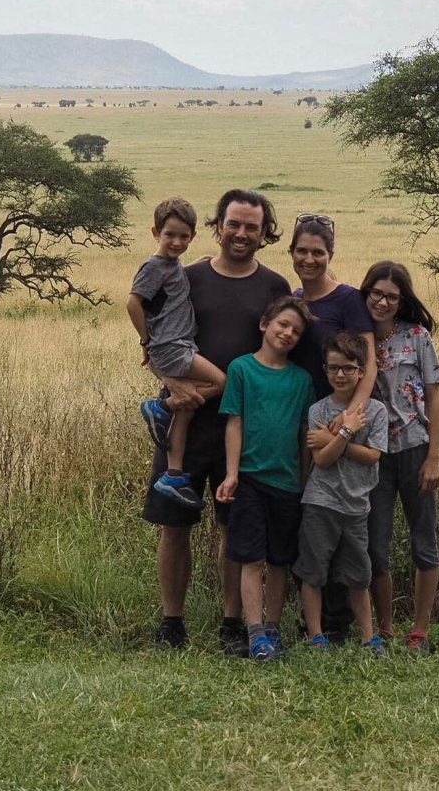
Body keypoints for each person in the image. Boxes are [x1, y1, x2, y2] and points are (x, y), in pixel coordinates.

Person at [141, 189, 291, 654]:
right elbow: (152, 338)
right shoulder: (184, 277)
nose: (241, 234)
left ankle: (231, 625)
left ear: (265, 233)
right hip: (183, 421)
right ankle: (172, 624)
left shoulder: (275, 288)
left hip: (240, 430)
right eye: (234, 224)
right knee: (174, 525)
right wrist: (171, 383)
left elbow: (286, 351)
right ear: (218, 226)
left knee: (237, 530)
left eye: (252, 226)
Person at [288, 213, 377, 641]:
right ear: (291, 253)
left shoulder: (347, 300)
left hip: (342, 414)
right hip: (302, 411)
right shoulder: (293, 300)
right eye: (302, 251)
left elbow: (368, 359)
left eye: (317, 252)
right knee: (310, 507)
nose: (309, 259)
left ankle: (340, 625)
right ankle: (313, 624)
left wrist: (350, 418)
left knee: (337, 510)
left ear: (330, 255)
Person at [215, 296, 315, 661]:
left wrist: (304, 480)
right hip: (249, 480)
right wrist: (231, 474)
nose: (288, 333)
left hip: (288, 483)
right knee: (250, 558)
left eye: (296, 331)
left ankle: (273, 630)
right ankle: (254, 632)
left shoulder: (302, 380)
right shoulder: (241, 370)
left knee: (279, 561)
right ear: (264, 325)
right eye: (282, 325)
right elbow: (234, 422)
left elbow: (305, 433)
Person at [360, 261, 439, 654]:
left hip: (414, 447)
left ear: (402, 300)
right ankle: (386, 628)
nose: (382, 301)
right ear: (366, 293)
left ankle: (420, 631)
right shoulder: (357, 338)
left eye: (391, 296)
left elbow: (434, 396)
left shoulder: (417, 336)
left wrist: (434, 457)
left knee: (423, 541)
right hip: (373, 453)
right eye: (376, 293)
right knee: (375, 545)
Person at [127, 197, 226, 510]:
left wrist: (200, 263)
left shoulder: (171, 264)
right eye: (170, 235)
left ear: (193, 237)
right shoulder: (154, 266)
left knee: (188, 409)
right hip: (172, 347)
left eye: (184, 236)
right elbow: (132, 303)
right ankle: (160, 406)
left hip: (178, 345)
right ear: (155, 232)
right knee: (221, 382)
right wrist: (147, 341)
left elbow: (174, 280)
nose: (177, 242)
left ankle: (173, 474)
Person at [293, 332, 389, 653]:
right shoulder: (318, 411)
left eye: (348, 368)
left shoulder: (375, 412)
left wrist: (337, 437)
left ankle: (368, 635)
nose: (341, 375)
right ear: (325, 370)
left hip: (357, 505)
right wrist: (348, 432)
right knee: (313, 570)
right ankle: (316, 635)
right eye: (333, 368)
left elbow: (374, 455)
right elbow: (321, 459)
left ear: (362, 371)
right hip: (320, 502)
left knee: (359, 574)